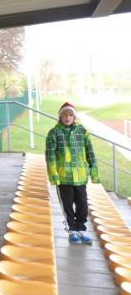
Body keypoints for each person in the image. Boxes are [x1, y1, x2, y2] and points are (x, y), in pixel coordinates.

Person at [45, 102, 99, 245]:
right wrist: (54, 175)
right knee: (67, 205)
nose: (67, 117)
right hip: (63, 177)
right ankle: (72, 231)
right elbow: (50, 156)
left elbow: (90, 153)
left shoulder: (82, 132)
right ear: (60, 116)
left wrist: (94, 172)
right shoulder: (54, 133)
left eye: (70, 115)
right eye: (64, 115)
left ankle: (81, 229)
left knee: (83, 205)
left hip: (80, 176)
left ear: (74, 117)